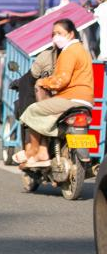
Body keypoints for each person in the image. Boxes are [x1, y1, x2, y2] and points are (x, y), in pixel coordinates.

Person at [16, 19, 94, 167]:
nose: (55, 37)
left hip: (71, 98)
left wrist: (42, 82)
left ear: (71, 34)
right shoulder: (82, 50)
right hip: (85, 100)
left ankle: (36, 151)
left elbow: (61, 81)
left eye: (59, 33)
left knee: (32, 110)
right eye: (53, 34)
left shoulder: (69, 52)